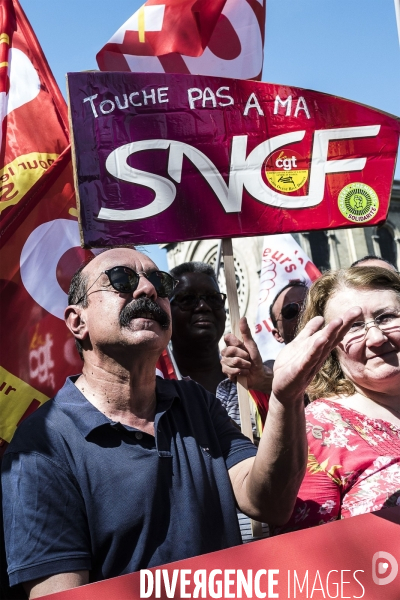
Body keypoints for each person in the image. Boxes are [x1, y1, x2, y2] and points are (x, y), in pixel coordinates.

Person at [3, 246, 350, 598]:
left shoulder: (195, 402)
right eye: (121, 279)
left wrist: (285, 397)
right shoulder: (42, 447)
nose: (148, 290)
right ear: (78, 321)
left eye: (159, 281)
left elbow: (268, 503)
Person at [275, 266, 400, 533]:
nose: (376, 337)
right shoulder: (318, 428)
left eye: (387, 317)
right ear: (329, 349)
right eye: (354, 327)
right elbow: (308, 554)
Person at [221, 281, 309, 400]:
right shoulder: (277, 368)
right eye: (291, 310)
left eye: (309, 304)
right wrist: (262, 377)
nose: (304, 312)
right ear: (277, 335)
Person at [169, 262, 227, 394]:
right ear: (167, 312)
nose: (203, 306)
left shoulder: (251, 382)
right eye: (188, 299)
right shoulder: (152, 389)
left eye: (213, 298)